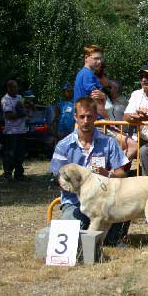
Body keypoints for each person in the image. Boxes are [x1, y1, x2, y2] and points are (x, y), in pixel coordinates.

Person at [49, 97, 130, 245]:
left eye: (89, 116)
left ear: (95, 117)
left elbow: (122, 174)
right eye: (82, 117)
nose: (86, 121)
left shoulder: (109, 142)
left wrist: (108, 174)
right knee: (73, 238)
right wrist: (74, 186)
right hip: (74, 202)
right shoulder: (63, 146)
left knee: (110, 239)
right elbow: (55, 177)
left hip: (105, 202)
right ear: (75, 117)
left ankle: (113, 238)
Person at [1, 79, 28, 181]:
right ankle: (7, 175)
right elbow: (9, 115)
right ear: (9, 88)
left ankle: (19, 174)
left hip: (21, 130)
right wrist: (22, 113)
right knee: (10, 154)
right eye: (14, 87)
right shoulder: (5, 99)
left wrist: (29, 107)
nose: (16, 89)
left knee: (20, 154)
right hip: (11, 132)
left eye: (17, 87)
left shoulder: (20, 97)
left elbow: (26, 106)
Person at [74, 45, 108, 118]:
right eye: (96, 58)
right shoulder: (87, 74)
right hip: (94, 122)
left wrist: (104, 96)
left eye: (100, 59)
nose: (99, 62)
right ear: (86, 58)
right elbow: (96, 101)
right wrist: (108, 119)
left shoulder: (84, 73)